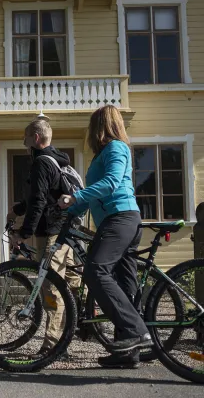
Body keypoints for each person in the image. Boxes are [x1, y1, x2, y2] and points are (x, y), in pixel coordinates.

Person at [59, 105, 153, 369]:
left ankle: (136, 330)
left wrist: (76, 196)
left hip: (120, 218)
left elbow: (111, 183)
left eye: (92, 126)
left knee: (95, 270)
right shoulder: (104, 154)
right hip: (118, 220)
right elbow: (95, 193)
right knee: (124, 285)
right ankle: (128, 354)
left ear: (99, 126)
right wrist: (69, 209)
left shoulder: (116, 148)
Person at [8, 117, 81, 358]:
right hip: (65, 231)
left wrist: (23, 233)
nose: (24, 142)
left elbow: (39, 201)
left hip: (50, 233)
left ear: (36, 138)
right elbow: (44, 195)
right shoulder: (57, 161)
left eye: (26, 137)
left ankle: (53, 346)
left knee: (50, 289)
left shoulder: (41, 163)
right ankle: (78, 329)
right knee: (69, 286)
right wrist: (18, 209)